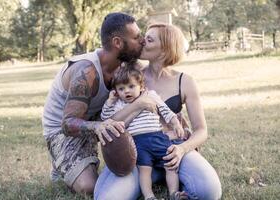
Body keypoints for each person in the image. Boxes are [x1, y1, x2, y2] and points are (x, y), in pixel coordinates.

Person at [102, 23, 223, 199]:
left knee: (209, 191)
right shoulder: (130, 78)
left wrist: (181, 149)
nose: (142, 41)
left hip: (171, 150)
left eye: (149, 39)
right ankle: (150, 178)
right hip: (137, 153)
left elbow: (201, 130)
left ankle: (169, 179)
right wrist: (138, 105)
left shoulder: (185, 81)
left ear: (165, 50)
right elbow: (110, 122)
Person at [42, 12, 146, 196]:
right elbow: (67, 124)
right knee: (89, 187)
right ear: (117, 43)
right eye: (137, 37)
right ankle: (60, 163)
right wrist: (98, 127)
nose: (143, 40)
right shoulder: (86, 71)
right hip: (63, 131)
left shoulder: (124, 66)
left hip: (96, 121)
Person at [101, 64, 188, 200]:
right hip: (137, 142)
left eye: (131, 86)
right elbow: (106, 119)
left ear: (141, 86)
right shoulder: (119, 104)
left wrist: (176, 123)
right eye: (121, 89)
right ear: (116, 91)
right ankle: (149, 196)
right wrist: (110, 101)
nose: (127, 91)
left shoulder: (150, 95)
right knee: (144, 170)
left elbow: (165, 111)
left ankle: (174, 193)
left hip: (157, 137)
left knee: (170, 165)